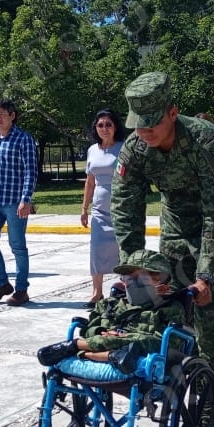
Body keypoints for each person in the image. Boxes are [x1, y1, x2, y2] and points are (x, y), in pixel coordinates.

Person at [111, 71, 214, 386]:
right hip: (175, 228)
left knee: (207, 312)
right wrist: (132, 266)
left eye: (151, 123)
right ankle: (178, 388)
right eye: (138, 124)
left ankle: (210, 395)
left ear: (172, 112)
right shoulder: (135, 147)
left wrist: (206, 275)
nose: (144, 131)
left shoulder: (204, 140)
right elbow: (125, 205)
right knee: (170, 309)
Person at [36, 249, 187, 369]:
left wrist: (120, 339)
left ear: (162, 284)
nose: (132, 283)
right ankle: (108, 354)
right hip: (117, 355)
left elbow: (167, 345)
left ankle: (76, 347)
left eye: (140, 279)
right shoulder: (110, 304)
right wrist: (100, 332)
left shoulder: (169, 309)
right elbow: (88, 330)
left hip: (145, 358)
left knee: (138, 343)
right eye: (128, 278)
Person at [0, 99, 37, 306]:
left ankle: (21, 290)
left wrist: (26, 200)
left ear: (12, 115)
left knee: (18, 246)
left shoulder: (24, 139)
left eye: (2, 115)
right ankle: (1, 283)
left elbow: (31, 171)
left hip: (15, 202)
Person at [80, 109, 124, 306]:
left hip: (121, 208)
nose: (104, 129)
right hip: (99, 210)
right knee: (96, 248)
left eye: (108, 124)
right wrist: (84, 208)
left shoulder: (123, 148)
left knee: (123, 249)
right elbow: (90, 182)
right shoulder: (92, 150)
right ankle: (97, 292)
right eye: (100, 125)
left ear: (115, 127)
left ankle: (125, 288)